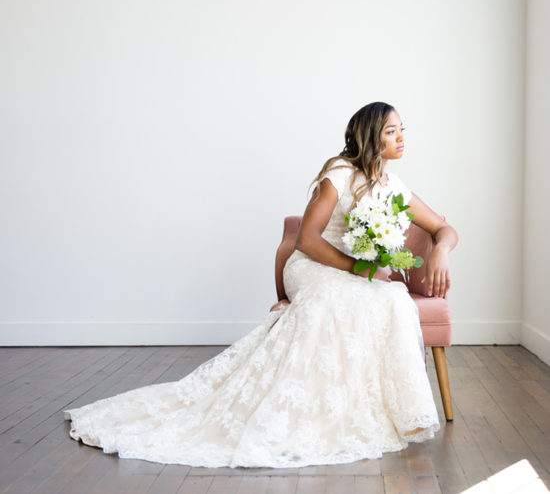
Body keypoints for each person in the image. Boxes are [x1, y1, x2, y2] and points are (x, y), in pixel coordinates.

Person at [63, 101, 458, 469]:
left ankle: (367, 409)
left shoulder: (394, 187)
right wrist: (356, 267)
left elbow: (444, 227)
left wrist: (439, 250)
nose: (401, 137)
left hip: (351, 270)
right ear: (371, 137)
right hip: (313, 266)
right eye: (391, 131)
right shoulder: (338, 175)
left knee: (389, 299)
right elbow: (306, 240)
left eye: (402, 129)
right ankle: (291, 408)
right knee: (336, 298)